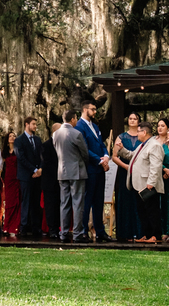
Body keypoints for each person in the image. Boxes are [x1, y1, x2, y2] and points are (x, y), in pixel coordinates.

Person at [76, 99, 112, 242]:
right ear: (85, 110)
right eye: (93, 109)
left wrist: (106, 157)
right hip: (89, 169)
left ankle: (100, 230)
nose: (95, 112)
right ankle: (84, 230)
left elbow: (101, 144)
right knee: (87, 200)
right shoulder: (79, 127)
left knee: (99, 201)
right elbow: (84, 149)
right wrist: (99, 160)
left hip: (100, 169)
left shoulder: (95, 127)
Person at [54, 110, 88, 242]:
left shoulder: (56, 134)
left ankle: (63, 232)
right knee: (78, 203)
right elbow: (84, 153)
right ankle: (77, 233)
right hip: (77, 171)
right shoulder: (76, 133)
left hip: (62, 172)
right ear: (73, 119)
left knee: (64, 203)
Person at [129, 121, 165, 243]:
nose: (137, 134)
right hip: (138, 184)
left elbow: (156, 165)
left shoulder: (154, 145)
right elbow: (132, 156)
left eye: (138, 131)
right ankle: (147, 234)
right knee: (142, 211)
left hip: (148, 185)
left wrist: (151, 182)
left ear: (144, 132)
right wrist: (121, 150)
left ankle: (156, 235)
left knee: (152, 210)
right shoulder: (142, 145)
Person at [112, 111, 143, 241]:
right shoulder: (121, 137)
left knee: (139, 202)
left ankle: (140, 232)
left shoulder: (143, 137)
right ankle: (126, 233)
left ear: (138, 121)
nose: (132, 121)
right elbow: (114, 156)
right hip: (125, 173)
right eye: (130, 118)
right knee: (125, 202)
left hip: (141, 173)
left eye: (135, 119)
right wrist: (125, 167)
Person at [14, 117, 44, 239]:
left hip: (37, 176)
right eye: (33, 124)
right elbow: (21, 158)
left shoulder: (37, 139)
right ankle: (24, 227)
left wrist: (40, 169)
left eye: (36, 124)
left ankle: (36, 226)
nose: (35, 126)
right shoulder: (19, 140)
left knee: (36, 202)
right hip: (26, 176)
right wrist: (34, 169)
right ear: (27, 124)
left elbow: (42, 156)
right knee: (26, 201)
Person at [41, 122, 61, 239]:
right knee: (50, 206)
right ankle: (52, 229)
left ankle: (59, 228)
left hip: (61, 181)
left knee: (59, 205)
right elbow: (47, 163)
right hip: (49, 181)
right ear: (55, 131)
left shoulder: (63, 144)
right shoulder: (46, 145)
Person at [1, 131, 21, 237]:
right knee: (9, 203)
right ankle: (7, 227)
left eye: (14, 136)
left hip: (17, 178)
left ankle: (15, 227)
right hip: (8, 179)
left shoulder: (18, 150)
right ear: (7, 139)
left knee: (17, 202)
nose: (12, 137)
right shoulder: (4, 152)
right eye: (10, 136)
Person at [155, 117, 169, 239]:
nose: (160, 128)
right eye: (158, 125)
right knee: (156, 204)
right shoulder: (153, 140)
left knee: (166, 204)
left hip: (167, 177)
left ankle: (167, 230)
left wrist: (167, 170)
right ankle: (157, 230)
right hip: (155, 175)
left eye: (163, 126)